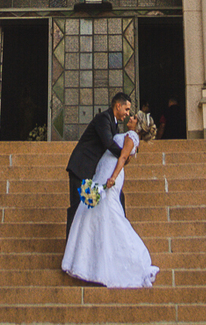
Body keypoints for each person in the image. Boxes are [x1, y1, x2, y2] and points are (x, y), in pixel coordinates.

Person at [61, 121, 159, 288]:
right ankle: (92, 263)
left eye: (134, 117)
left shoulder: (131, 136)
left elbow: (122, 157)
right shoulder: (131, 137)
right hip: (104, 173)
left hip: (109, 177)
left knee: (110, 214)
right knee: (97, 213)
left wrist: (112, 178)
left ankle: (134, 259)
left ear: (138, 126)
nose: (130, 117)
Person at [65, 92, 131, 229]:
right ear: (118, 106)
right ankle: (70, 246)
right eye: (127, 109)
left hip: (93, 171)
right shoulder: (103, 118)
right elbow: (108, 142)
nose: (128, 114)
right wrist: (123, 154)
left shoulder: (114, 124)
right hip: (81, 168)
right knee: (77, 208)